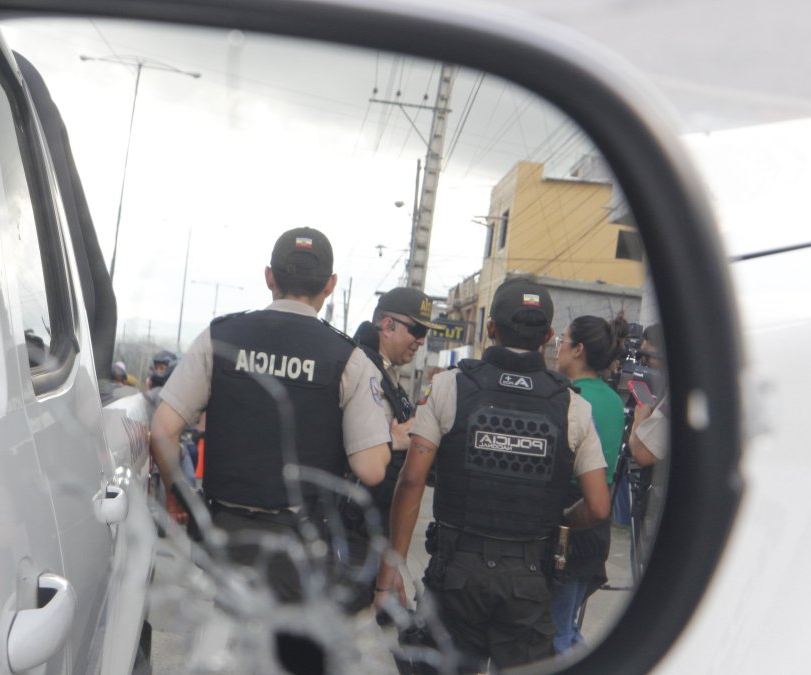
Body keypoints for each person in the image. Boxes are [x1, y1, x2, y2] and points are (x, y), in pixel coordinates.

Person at [376, 277, 610, 673]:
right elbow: (600, 506)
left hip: (455, 576)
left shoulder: (449, 387)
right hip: (529, 580)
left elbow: (412, 480)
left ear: (490, 329)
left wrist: (391, 569)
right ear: (549, 335)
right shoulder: (573, 407)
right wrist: (564, 521)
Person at [149, 227, 392, 604]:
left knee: (226, 651)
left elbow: (163, 431)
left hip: (225, 539)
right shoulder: (349, 359)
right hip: (302, 548)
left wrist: (176, 496)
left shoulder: (220, 338)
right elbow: (372, 469)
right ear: (330, 285)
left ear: (269, 277)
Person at [340, 286, 436, 611]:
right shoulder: (361, 366)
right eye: (417, 330)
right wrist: (393, 439)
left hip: (370, 532)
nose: (421, 341)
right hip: (349, 532)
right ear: (387, 325)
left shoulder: (386, 372)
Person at [549, 315, 626, 654]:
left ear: (578, 349)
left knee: (556, 635)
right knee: (569, 625)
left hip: (569, 517)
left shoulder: (571, 397)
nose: (557, 349)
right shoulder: (613, 400)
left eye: (561, 341)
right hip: (596, 525)